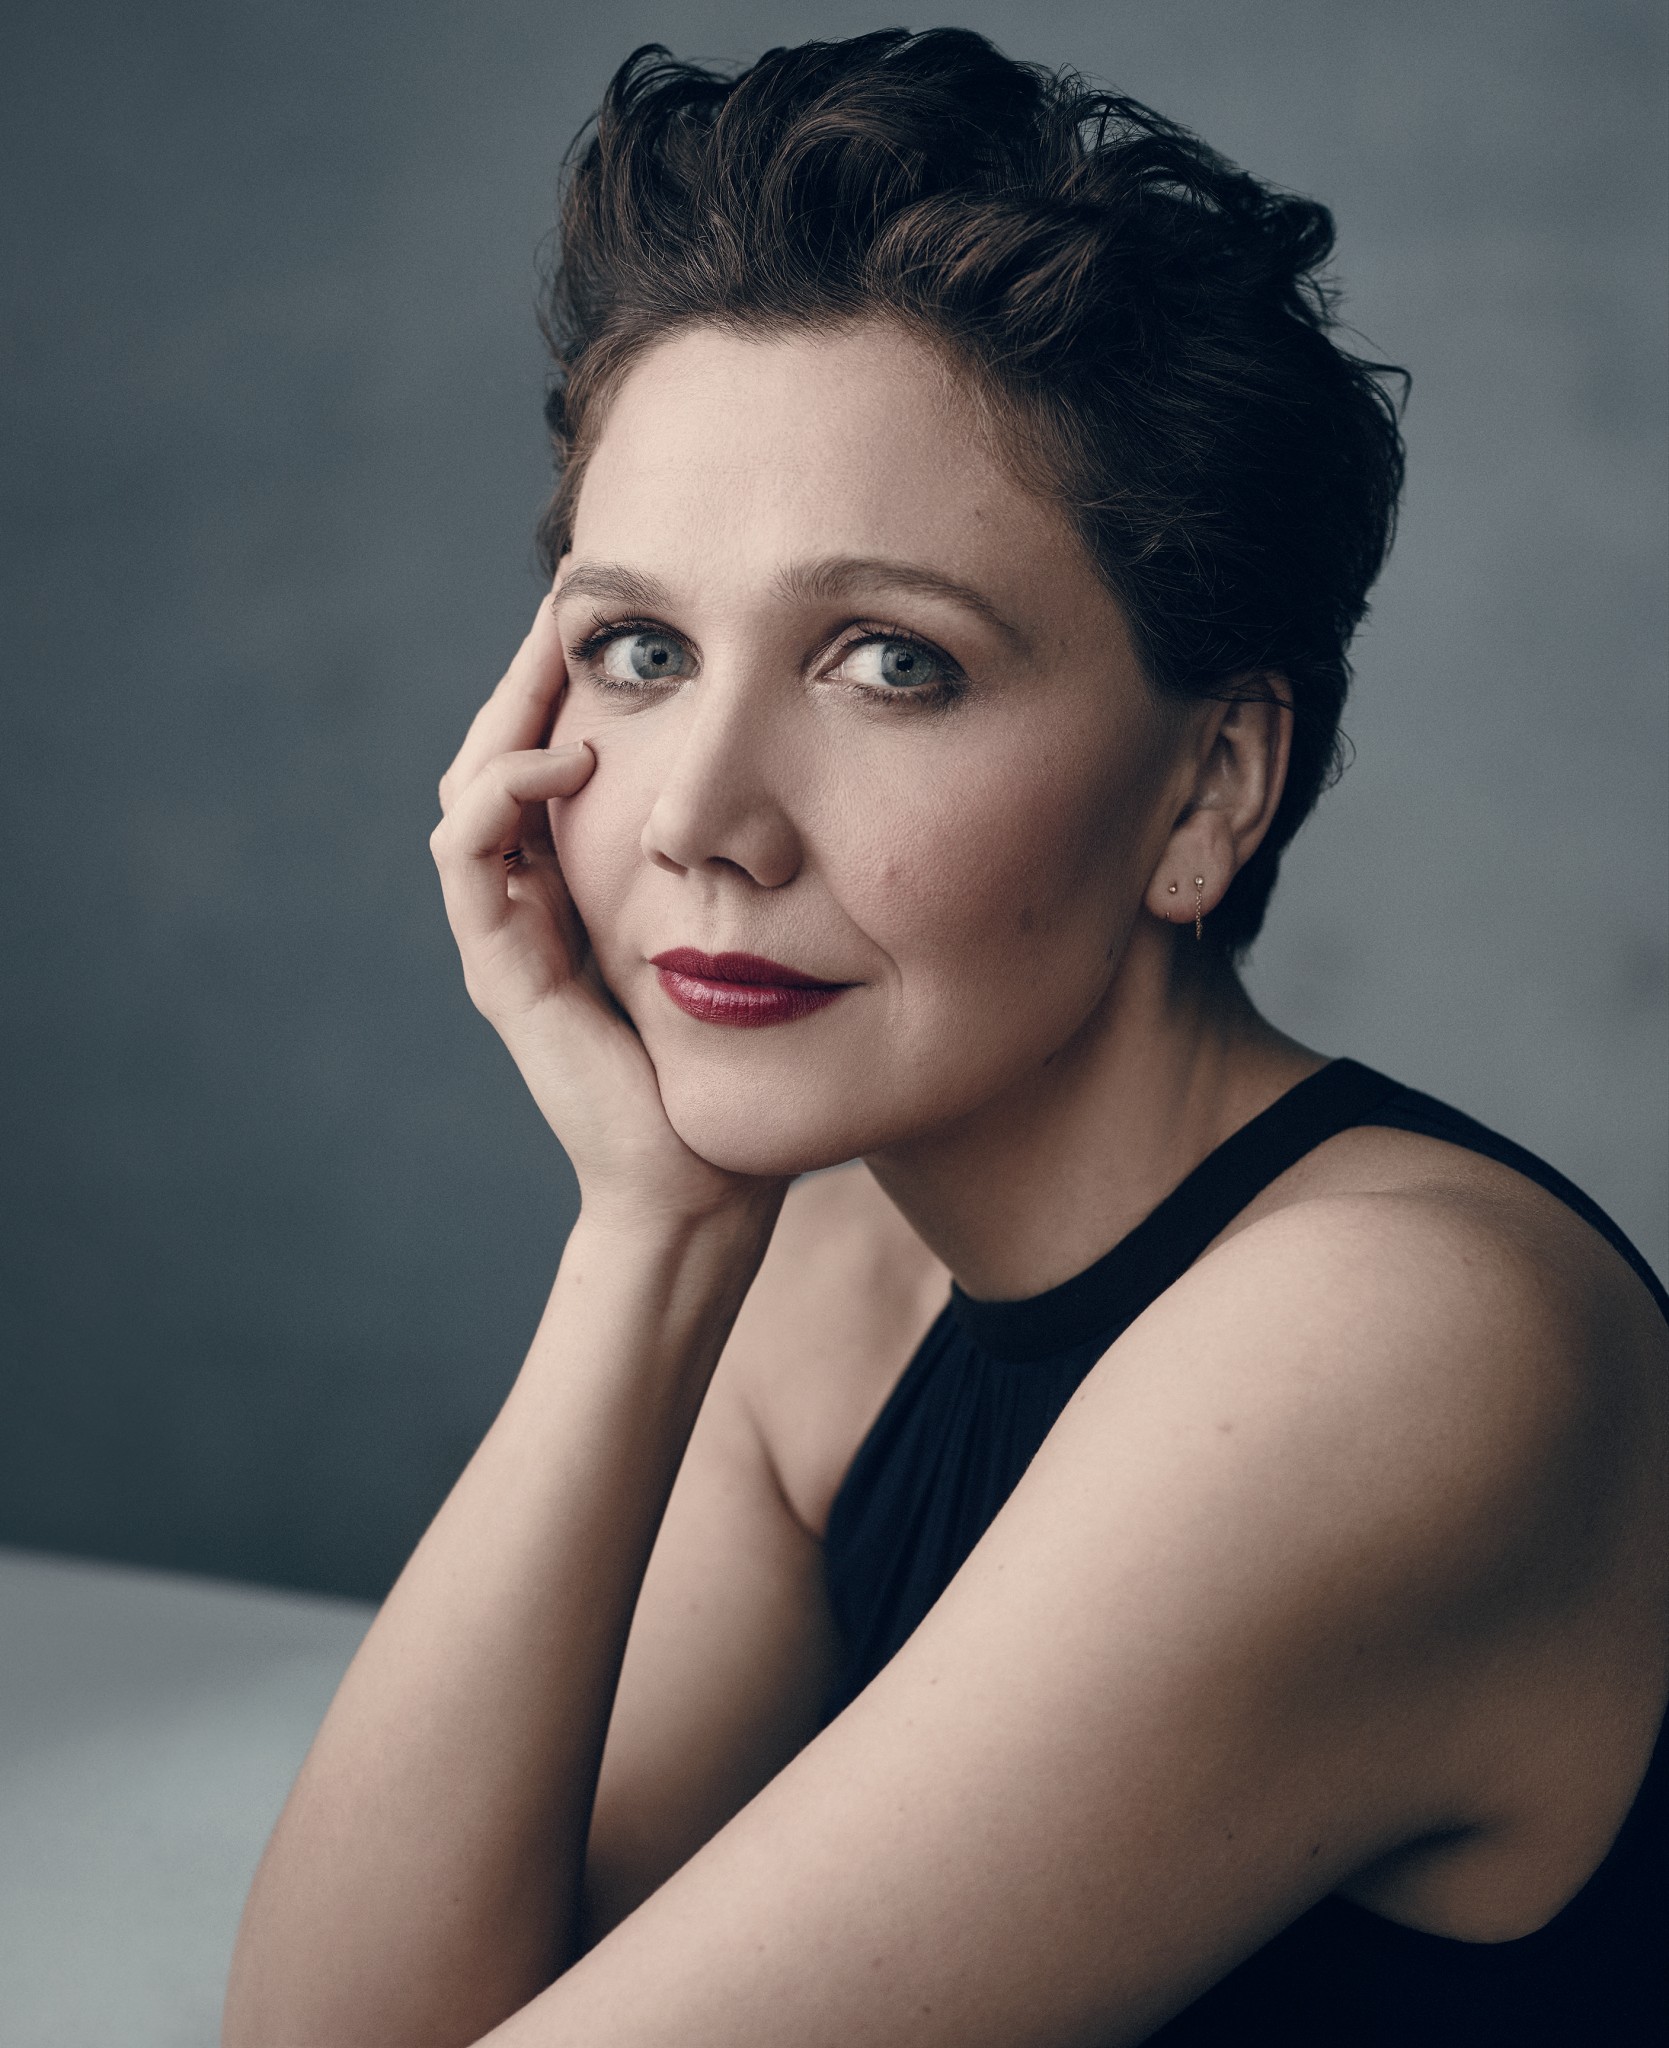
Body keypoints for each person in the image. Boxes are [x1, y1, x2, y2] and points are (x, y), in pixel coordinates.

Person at [222, 29, 1667, 2047]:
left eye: (890, 661)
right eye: (638, 646)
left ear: (1209, 787)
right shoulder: (834, 1261)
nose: (697, 817)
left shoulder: (1400, 1346)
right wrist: (647, 1232)